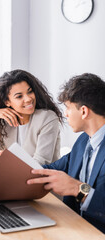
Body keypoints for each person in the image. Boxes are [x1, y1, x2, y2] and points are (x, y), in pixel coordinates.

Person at [27, 73, 105, 233]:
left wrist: (78, 189)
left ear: (83, 111)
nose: (66, 114)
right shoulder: (83, 141)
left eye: (68, 108)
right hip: (73, 227)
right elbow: (51, 168)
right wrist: (13, 164)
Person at [0, 69, 62, 166]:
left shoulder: (47, 118)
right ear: (7, 102)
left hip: (43, 179)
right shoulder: (6, 122)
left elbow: (40, 163)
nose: (28, 99)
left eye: (30, 92)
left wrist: (8, 163)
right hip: (15, 177)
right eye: (19, 96)